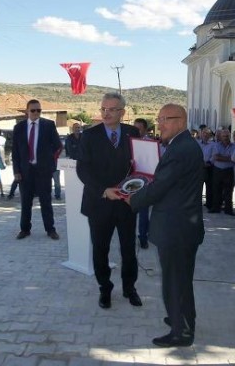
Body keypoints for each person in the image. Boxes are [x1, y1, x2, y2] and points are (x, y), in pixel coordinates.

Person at [125, 104, 204, 348]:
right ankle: (181, 317)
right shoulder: (181, 145)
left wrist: (132, 199)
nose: (160, 124)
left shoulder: (181, 149)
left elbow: (160, 186)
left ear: (180, 121)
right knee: (178, 278)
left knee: (176, 280)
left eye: (164, 120)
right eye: (158, 119)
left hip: (176, 228)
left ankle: (182, 332)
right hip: (180, 226)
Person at [76, 92, 141, 309]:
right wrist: (104, 190)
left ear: (122, 112)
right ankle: (105, 288)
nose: (106, 113)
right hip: (99, 203)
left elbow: (140, 165)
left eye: (112, 109)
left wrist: (136, 188)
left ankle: (130, 288)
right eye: (103, 108)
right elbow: (82, 169)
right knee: (100, 250)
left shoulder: (133, 133)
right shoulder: (89, 136)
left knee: (128, 250)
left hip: (126, 203)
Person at [12, 99, 62, 240]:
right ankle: (25, 229)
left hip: (43, 171)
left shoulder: (48, 125)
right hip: (25, 171)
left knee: (46, 202)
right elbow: (15, 152)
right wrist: (16, 171)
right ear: (27, 111)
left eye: (38, 110)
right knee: (26, 202)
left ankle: (50, 230)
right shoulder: (19, 128)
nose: (36, 113)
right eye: (33, 110)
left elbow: (57, 146)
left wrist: (49, 163)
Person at [209, 129, 235, 214]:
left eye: (227, 136)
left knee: (228, 190)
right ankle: (216, 208)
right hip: (218, 170)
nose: (225, 138)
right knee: (216, 190)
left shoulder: (234, 146)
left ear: (229, 136)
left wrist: (223, 157)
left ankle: (228, 209)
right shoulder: (216, 145)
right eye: (224, 136)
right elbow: (216, 157)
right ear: (221, 137)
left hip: (229, 171)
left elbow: (233, 159)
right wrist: (228, 158)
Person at [134, 117, 151, 249]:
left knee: (144, 213)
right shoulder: (128, 143)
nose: (136, 131)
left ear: (145, 129)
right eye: (135, 128)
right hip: (129, 184)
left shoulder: (151, 144)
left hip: (145, 184)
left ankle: (143, 237)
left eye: (139, 128)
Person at [197, 128, 215, 210]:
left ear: (210, 135)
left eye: (207, 133)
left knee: (209, 187)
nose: (205, 135)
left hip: (209, 167)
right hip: (199, 167)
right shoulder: (197, 143)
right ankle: (197, 204)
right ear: (201, 134)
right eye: (203, 133)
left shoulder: (213, 144)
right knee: (198, 187)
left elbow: (214, 155)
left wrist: (208, 163)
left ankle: (209, 204)